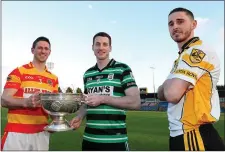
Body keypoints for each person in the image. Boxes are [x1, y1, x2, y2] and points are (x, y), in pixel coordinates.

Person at [157, 7, 225, 151]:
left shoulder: (197, 51)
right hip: (184, 134)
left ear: (193, 24)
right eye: (171, 24)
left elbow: (171, 94)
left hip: (192, 133)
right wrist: (168, 86)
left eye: (180, 21)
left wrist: (168, 85)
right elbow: (160, 93)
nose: (175, 26)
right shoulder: (181, 57)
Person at [70, 32, 141, 151]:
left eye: (105, 44)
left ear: (110, 48)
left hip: (115, 141)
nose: (101, 47)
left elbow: (135, 102)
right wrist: (80, 116)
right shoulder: (88, 74)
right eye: (97, 44)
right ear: (92, 47)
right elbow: (86, 102)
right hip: (89, 140)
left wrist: (103, 98)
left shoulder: (122, 69)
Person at [1, 36, 59, 151]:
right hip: (16, 133)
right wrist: (26, 102)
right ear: (33, 50)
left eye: (46, 49)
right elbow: (4, 99)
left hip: (41, 133)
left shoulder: (53, 79)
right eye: (40, 48)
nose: (43, 51)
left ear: (49, 52)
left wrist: (57, 121)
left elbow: (53, 106)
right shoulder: (19, 72)